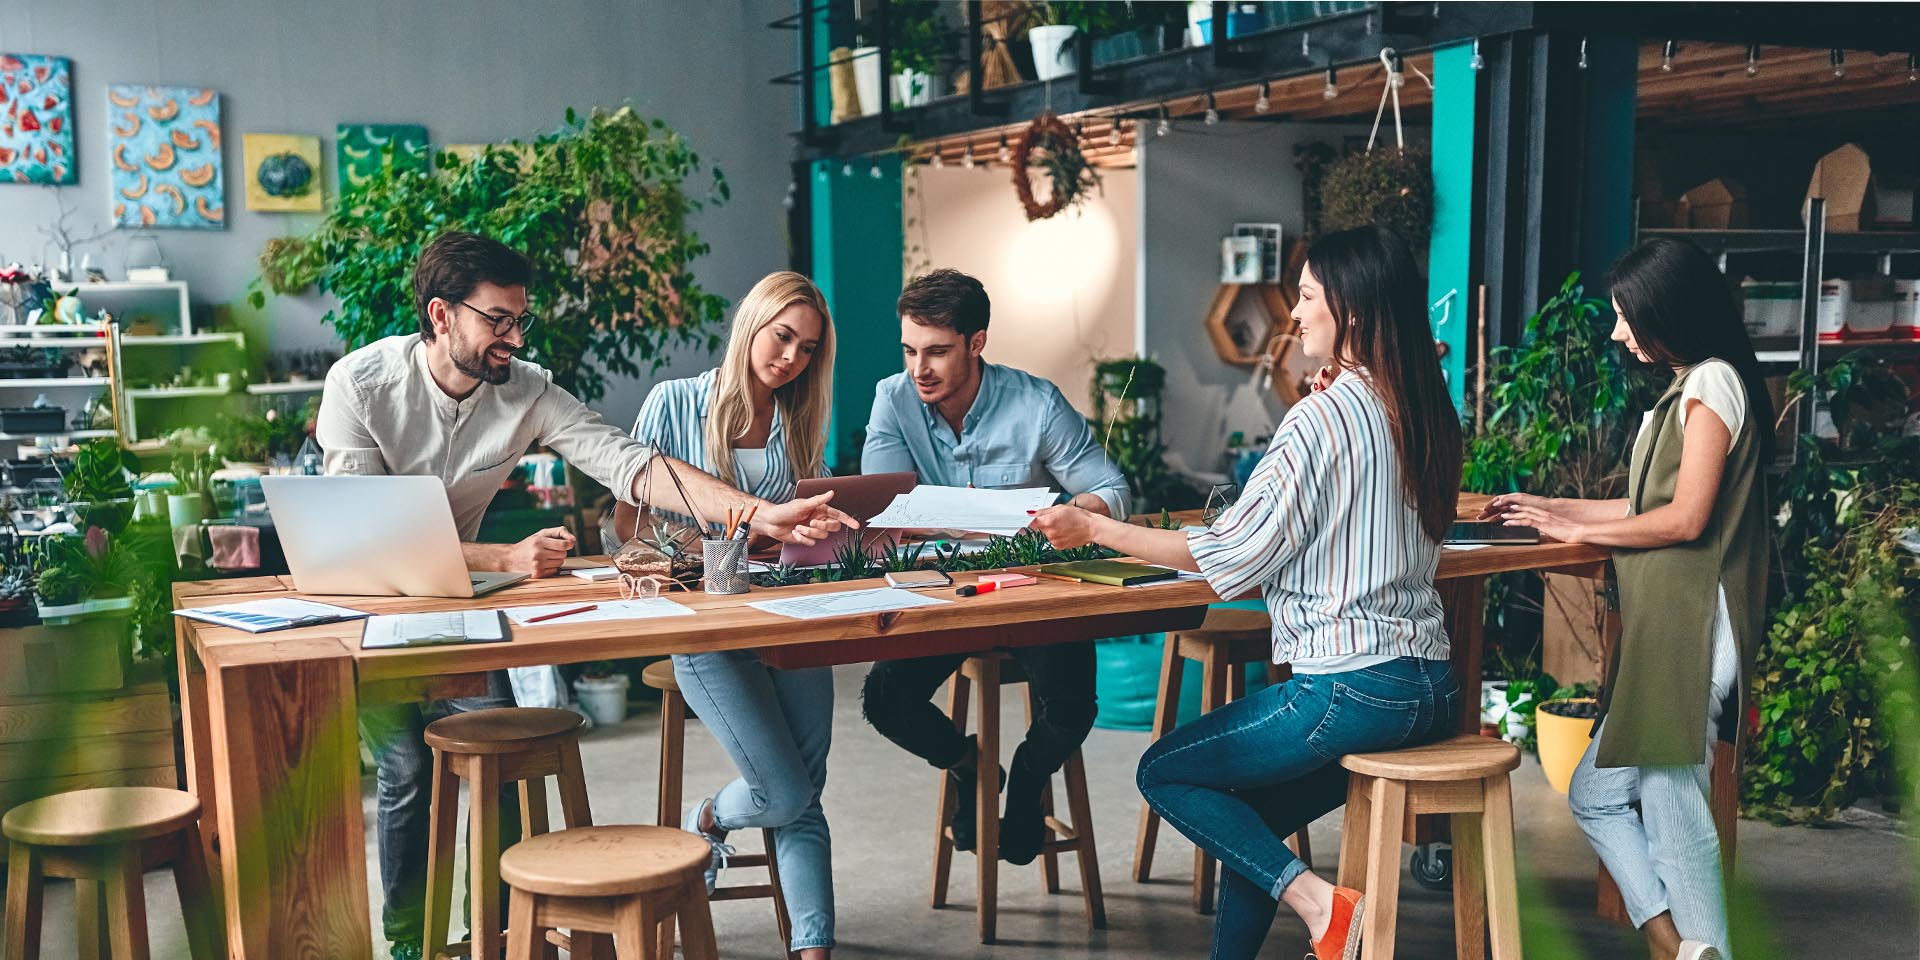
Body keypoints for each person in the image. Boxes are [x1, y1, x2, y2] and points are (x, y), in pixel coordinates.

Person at [315, 232, 855, 960]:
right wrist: (501, 556)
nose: (513, 335)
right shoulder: (361, 383)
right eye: (497, 320)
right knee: (408, 768)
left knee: (495, 760)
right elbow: (360, 532)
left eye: (520, 319)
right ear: (442, 316)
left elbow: (632, 465)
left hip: (462, 606)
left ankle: (498, 936)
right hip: (374, 606)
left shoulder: (526, 388)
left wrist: (756, 514)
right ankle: (410, 943)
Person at [1030, 226, 1463, 960]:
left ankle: (1324, 906)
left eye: (1307, 297)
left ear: (1350, 311)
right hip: (1430, 690)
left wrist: (1093, 530)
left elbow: (1228, 559)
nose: (1294, 314)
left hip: (1348, 691)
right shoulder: (1421, 407)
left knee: (1163, 770)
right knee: (1250, 819)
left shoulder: (1322, 417)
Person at [1485, 237, 1770, 960]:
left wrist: (1559, 520)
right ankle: (1681, 947)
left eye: (1624, 317)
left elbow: (1686, 519)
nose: (1617, 333)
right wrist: (1546, 506)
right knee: (1596, 794)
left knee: (1676, 807)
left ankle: (1705, 950)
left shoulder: (1712, 385)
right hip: (1668, 626)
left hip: (1694, 625)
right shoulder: (1687, 390)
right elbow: (1643, 504)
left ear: (1666, 311)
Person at [859, 268, 1130, 865]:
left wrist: (1076, 514)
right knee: (883, 699)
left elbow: (1111, 488)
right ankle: (971, 764)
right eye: (909, 350)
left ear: (976, 343)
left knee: (1073, 707)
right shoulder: (892, 399)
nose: (919, 368)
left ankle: (1028, 781)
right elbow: (883, 508)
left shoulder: (1035, 402)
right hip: (945, 595)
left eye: (937, 351)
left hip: (1030, 589)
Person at [608, 271, 839, 959]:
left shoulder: (798, 419)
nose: (791, 359)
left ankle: (814, 948)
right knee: (783, 788)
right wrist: (726, 541)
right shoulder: (673, 403)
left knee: (805, 786)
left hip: (787, 616)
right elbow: (630, 529)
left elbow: (799, 530)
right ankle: (705, 818)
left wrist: (806, 533)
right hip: (704, 623)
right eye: (783, 337)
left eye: (807, 349)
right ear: (752, 323)